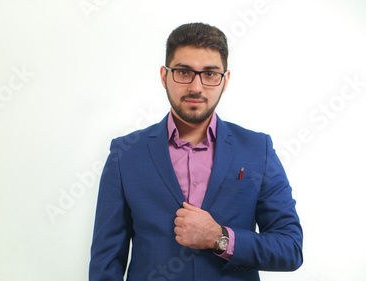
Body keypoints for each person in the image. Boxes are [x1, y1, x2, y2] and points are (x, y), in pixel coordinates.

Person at [89, 22, 303, 281]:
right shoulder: (125, 154)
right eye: (183, 71)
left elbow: (290, 248)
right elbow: (105, 263)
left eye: (210, 74)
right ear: (164, 76)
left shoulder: (258, 150)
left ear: (225, 81)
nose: (196, 87)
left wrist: (220, 238)